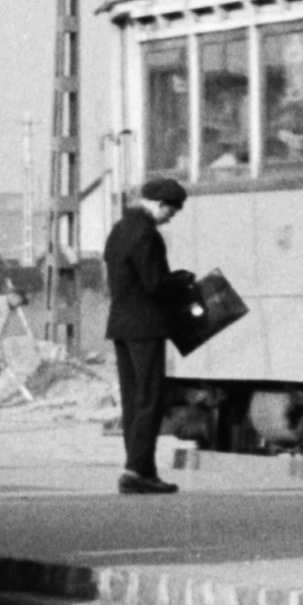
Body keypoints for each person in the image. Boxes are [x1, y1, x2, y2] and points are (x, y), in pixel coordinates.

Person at [102, 171, 189, 495]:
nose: (170, 218)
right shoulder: (146, 234)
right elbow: (155, 284)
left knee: (132, 402)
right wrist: (180, 280)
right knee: (149, 400)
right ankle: (137, 471)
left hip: (121, 326)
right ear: (159, 204)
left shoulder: (119, 230)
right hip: (146, 326)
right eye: (171, 210)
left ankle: (143, 470)